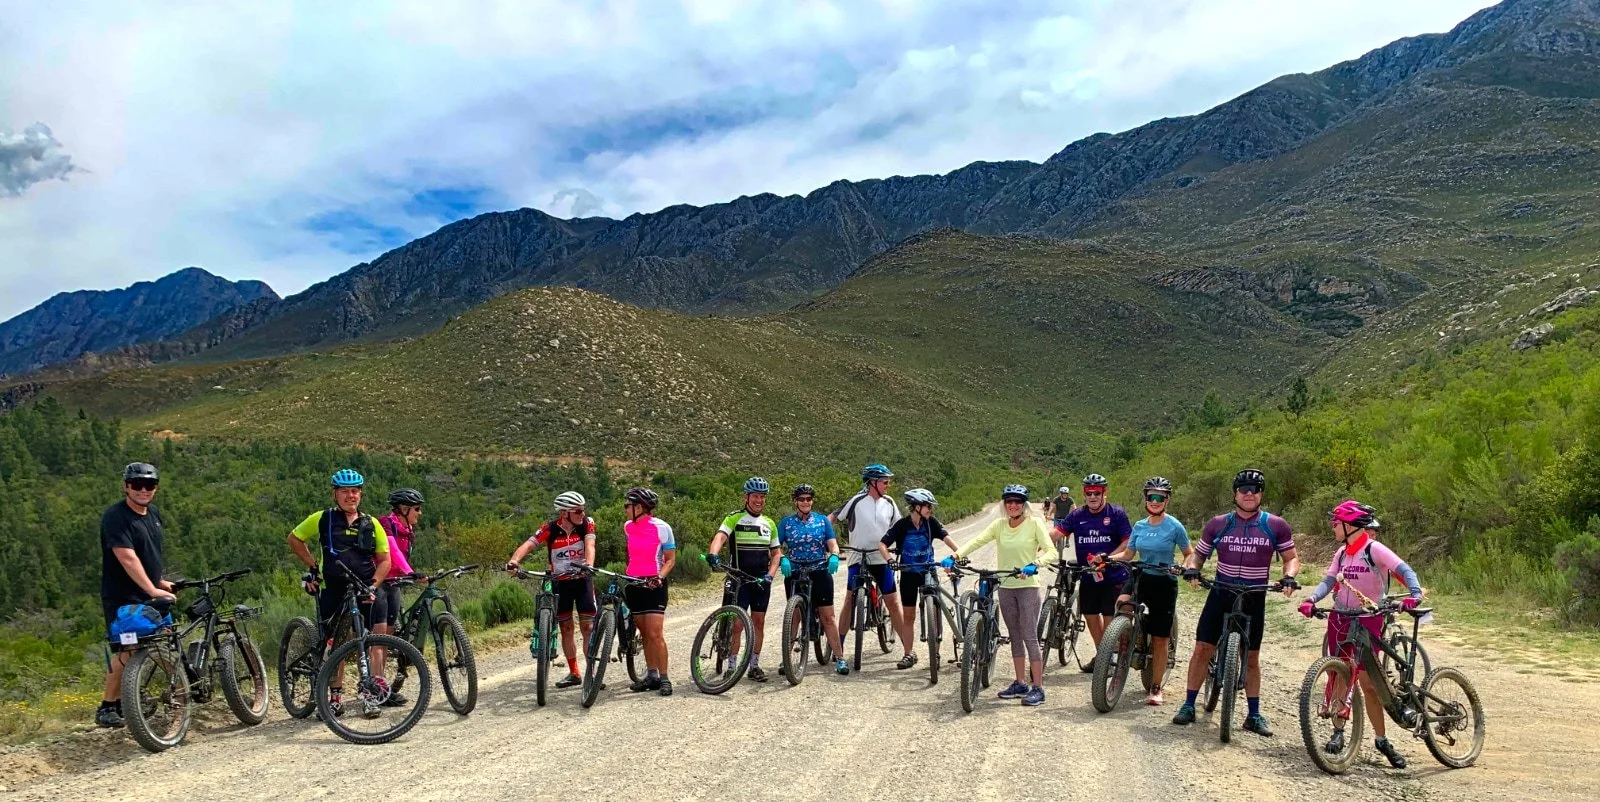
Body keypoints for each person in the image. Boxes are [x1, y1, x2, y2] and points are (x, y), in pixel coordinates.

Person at [1172, 468, 1300, 736]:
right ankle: (1188, 705)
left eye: (1255, 489)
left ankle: (1253, 715)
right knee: (1202, 648)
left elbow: (1291, 557)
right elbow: (1198, 555)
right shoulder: (1219, 523)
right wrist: (1193, 569)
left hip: (1255, 595)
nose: (1249, 494)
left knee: (1251, 657)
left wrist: (1288, 577)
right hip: (1221, 592)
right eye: (1243, 489)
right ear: (1235, 493)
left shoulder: (1275, 525)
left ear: (1261, 494)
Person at [1298, 500, 1423, 768]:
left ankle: (1381, 740)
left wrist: (1415, 595)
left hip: (1369, 617)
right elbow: (1330, 580)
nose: (1332, 527)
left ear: (1350, 525)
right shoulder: (1341, 553)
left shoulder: (1374, 549)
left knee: (1367, 683)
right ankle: (1339, 732)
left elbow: (1403, 570)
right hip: (1341, 617)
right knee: (1341, 673)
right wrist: (1312, 598)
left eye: (1336, 523)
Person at [287, 469, 393, 717]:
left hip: (364, 588)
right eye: (345, 491)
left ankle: (370, 694)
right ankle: (335, 697)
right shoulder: (322, 519)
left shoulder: (371, 523)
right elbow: (294, 538)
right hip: (333, 589)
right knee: (337, 644)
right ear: (335, 494)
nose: (350, 496)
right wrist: (313, 566)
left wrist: (374, 584)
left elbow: (385, 560)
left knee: (369, 642)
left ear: (361, 494)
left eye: (355, 491)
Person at [946, 484, 1054, 706]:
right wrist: (955, 555)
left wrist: (1036, 564)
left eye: (1017, 501)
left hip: (1028, 587)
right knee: (1014, 635)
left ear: (1024, 504)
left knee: (1029, 636)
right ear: (1005, 505)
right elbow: (977, 541)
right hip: (1006, 587)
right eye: (1009, 501)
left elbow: (1051, 550)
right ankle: (1020, 683)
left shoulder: (1034, 524)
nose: (1013, 505)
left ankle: (1038, 688)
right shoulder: (999, 525)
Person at [97, 462, 174, 728]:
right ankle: (108, 707)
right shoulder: (116, 517)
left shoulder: (153, 514)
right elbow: (127, 558)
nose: (144, 490)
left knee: (166, 640)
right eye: (137, 485)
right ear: (126, 486)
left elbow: (148, 555)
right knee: (126, 649)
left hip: (149, 593)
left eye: (149, 485)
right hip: (123, 598)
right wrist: (151, 588)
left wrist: (159, 582)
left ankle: (170, 695)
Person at [1104, 477, 1191, 705]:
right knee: (1121, 605)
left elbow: (1189, 553)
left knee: (1161, 639)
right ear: (1145, 499)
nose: (1154, 501)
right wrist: (1107, 559)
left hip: (1164, 582)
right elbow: (1128, 555)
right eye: (1150, 496)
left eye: (1159, 497)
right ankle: (1130, 642)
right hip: (1141, 576)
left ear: (1166, 500)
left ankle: (1155, 687)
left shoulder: (1174, 526)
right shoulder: (1140, 526)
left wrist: (1184, 566)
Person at [505, 491, 597, 689]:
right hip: (560, 583)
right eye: (578, 511)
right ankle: (574, 672)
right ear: (564, 513)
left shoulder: (587, 524)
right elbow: (529, 545)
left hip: (582, 581)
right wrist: (514, 561)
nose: (583, 514)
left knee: (587, 627)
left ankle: (591, 672)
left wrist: (589, 564)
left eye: (583, 510)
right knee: (566, 628)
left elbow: (590, 544)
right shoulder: (550, 528)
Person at [1053, 472, 1132, 672]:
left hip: (1113, 576)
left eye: (1097, 493)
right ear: (1084, 494)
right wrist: (1036, 545)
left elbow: (1127, 542)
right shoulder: (1077, 515)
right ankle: (1102, 657)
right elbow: (1057, 533)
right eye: (1089, 493)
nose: (1093, 497)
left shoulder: (1116, 514)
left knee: (1108, 618)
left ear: (1104, 493)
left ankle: (1108, 659)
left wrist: (1108, 557)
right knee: (1089, 615)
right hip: (1088, 575)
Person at [831, 464, 907, 669]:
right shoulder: (856, 501)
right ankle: (839, 646)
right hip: (858, 558)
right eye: (885, 481)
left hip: (882, 559)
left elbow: (900, 528)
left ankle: (908, 650)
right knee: (849, 599)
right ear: (873, 482)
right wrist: (830, 543)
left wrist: (901, 548)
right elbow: (831, 520)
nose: (888, 485)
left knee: (893, 602)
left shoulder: (890, 503)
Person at [706, 477, 782, 682]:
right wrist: (713, 553)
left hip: (760, 580)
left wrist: (770, 575)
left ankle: (754, 666)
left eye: (762, 497)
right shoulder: (734, 518)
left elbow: (776, 554)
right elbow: (720, 537)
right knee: (737, 624)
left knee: (759, 623)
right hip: (738, 578)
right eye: (755, 496)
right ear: (746, 497)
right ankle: (732, 666)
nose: (759, 500)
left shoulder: (769, 523)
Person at [878, 488, 958, 670]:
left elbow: (947, 538)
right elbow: (882, 544)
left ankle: (935, 654)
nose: (930, 509)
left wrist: (958, 553)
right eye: (927, 506)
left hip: (929, 571)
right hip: (908, 573)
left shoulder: (931, 523)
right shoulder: (902, 525)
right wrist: (889, 560)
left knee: (935, 613)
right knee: (909, 616)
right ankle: (908, 654)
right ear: (916, 507)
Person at [777, 484, 847, 675]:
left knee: (828, 617)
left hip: (819, 569)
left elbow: (832, 543)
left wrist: (834, 555)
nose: (805, 502)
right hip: (795, 571)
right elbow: (775, 546)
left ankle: (840, 658)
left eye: (808, 499)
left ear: (812, 501)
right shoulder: (786, 523)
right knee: (794, 617)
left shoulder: (822, 521)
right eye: (801, 499)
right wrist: (782, 558)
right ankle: (787, 658)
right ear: (795, 502)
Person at [621, 486, 676, 696]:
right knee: (643, 632)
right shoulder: (628, 526)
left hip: (655, 584)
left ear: (640, 507)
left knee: (655, 633)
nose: (625, 509)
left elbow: (670, 559)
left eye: (628, 505)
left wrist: (659, 577)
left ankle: (664, 678)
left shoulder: (662, 527)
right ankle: (651, 675)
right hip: (633, 583)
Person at [373, 488, 423, 706]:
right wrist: (410, 572)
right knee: (379, 637)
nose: (420, 513)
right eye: (417, 509)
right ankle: (375, 690)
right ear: (404, 509)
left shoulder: (408, 528)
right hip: (378, 582)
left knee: (389, 637)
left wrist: (407, 573)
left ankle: (381, 687)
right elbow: (392, 551)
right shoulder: (386, 523)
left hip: (394, 584)